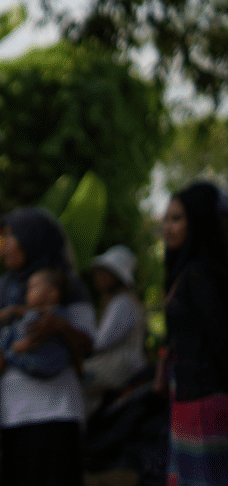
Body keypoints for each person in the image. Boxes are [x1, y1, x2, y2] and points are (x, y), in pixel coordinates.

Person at [0, 207, 95, 486]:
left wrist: (60, 326)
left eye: (10, 237)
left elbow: (88, 344)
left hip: (58, 412)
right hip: (9, 414)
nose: (4, 245)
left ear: (32, 239)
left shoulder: (67, 287)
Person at [157, 182, 228, 486]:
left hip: (205, 399)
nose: (167, 227)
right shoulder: (185, 272)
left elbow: (220, 339)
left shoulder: (200, 275)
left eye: (177, 219)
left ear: (196, 222)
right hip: (187, 397)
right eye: (167, 219)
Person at [82, 245, 147, 414]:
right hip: (118, 364)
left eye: (105, 272)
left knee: (75, 377)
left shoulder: (122, 303)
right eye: (99, 271)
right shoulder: (118, 301)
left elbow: (99, 343)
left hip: (121, 366)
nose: (99, 277)